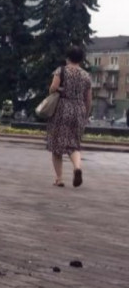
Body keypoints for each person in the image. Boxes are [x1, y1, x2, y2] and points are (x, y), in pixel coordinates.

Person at [46, 45, 92, 187]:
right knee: (74, 144)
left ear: (68, 57)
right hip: (79, 110)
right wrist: (86, 114)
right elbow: (89, 98)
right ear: (81, 59)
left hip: (62, 109)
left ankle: (59, 179)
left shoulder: (61, 70)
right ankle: (77, 168)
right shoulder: (86, 75)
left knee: (56, 145)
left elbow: (53, 88)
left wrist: (56, 89)